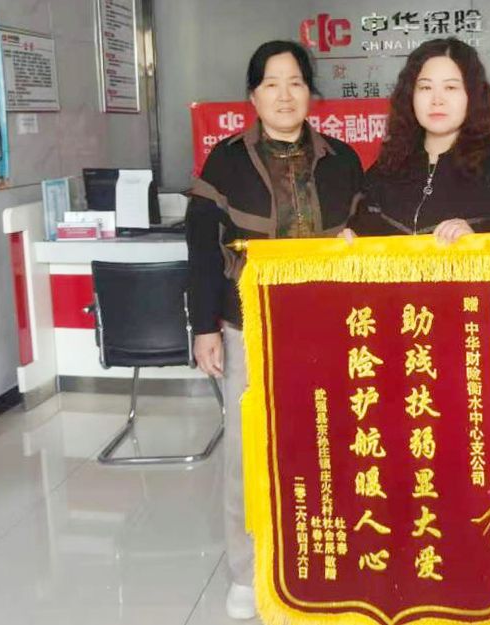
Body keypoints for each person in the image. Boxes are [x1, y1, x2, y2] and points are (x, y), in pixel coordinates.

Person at [185, 40, 363, 620]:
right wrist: (204, 327)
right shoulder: (225, 161)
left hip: (329, 326)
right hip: (250, 327)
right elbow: (201, 249)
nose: (284, 95)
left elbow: (369, 236)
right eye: (271, 83)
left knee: (328, 442)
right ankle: (247, 570)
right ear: (253, 96)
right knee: (248, 451)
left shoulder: (342, 160)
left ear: (310, 93)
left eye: (295, 82)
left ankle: (325, 555)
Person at [345, 37, 490, 241]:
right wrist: (350, 241)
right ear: (410, 96)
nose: (437, 100)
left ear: (472, 95)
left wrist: (478, 241)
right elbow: (362, 235)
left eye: (450, 88)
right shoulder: (385, 168)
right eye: (425, 88)